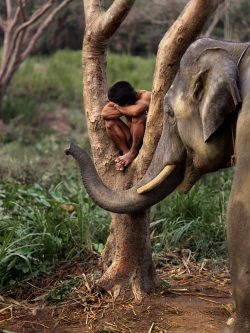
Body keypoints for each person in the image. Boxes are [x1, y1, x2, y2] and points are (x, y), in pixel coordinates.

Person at [101, 81, 151, 171]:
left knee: (138, 118)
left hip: (146, 140)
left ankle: (133, 152)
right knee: (109, 122)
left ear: (127, 101)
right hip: (131, 138)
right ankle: (126, 152)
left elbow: (136, 111)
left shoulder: (145, 96)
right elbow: (104, 113)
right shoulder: (121, 99)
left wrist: (119, 107)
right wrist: (126, 109)